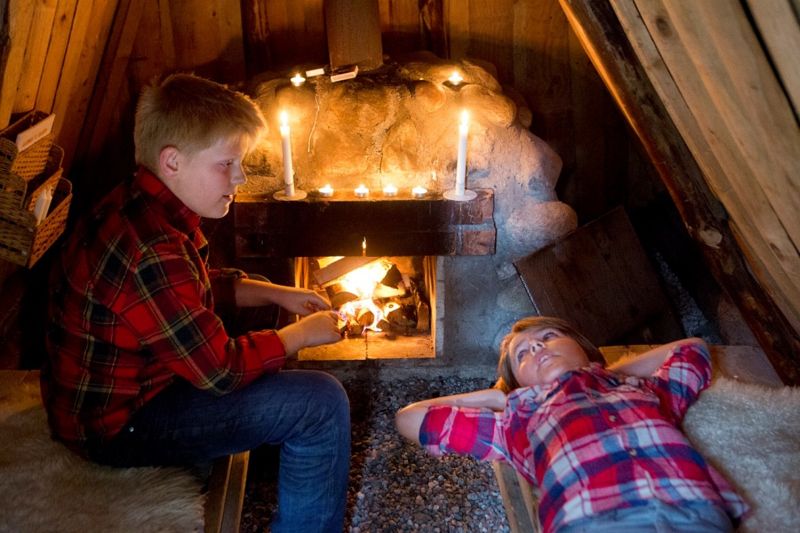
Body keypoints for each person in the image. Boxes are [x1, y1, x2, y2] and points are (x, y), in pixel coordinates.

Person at [42, 73, 350, 533]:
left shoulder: (144, 206)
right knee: (322, 402)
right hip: (117, 428)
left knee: (262, 294)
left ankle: (270, 442)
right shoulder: (151, 249)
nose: (240, 177)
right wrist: (300, 335)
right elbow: (220, 371)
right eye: (227, 163)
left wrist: (276, 294)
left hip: (134, 387)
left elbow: (193, 289)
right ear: (173, 162)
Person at [396, 316, 748, 533]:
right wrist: (496, 398)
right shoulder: (517, 423)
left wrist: (606, 373)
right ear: (520, 383)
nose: (536, 345)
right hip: (592, 521)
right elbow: (410, 418)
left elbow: (694, 350)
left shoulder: (644, 390)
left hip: (695, 512)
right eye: (523, 354)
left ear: (583, 349)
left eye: (548, 337)